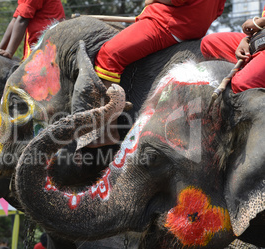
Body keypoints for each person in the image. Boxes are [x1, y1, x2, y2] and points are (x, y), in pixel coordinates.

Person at [90, 0, 227, 147]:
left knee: (109, 55)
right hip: (192, 27)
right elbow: (218, 11)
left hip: (168, 23)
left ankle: (106, 130)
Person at [201, 8, 265, 93]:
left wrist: (260, 22)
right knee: (208, 43)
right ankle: (251, 66)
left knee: (240, 84)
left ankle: (252, 72)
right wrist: (247, 39)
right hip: (259, 41)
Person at [0, 0, 65, 60]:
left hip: (47, 47)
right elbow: (15, 19)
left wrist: (9, 52)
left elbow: (22, 20)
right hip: (39, 44)